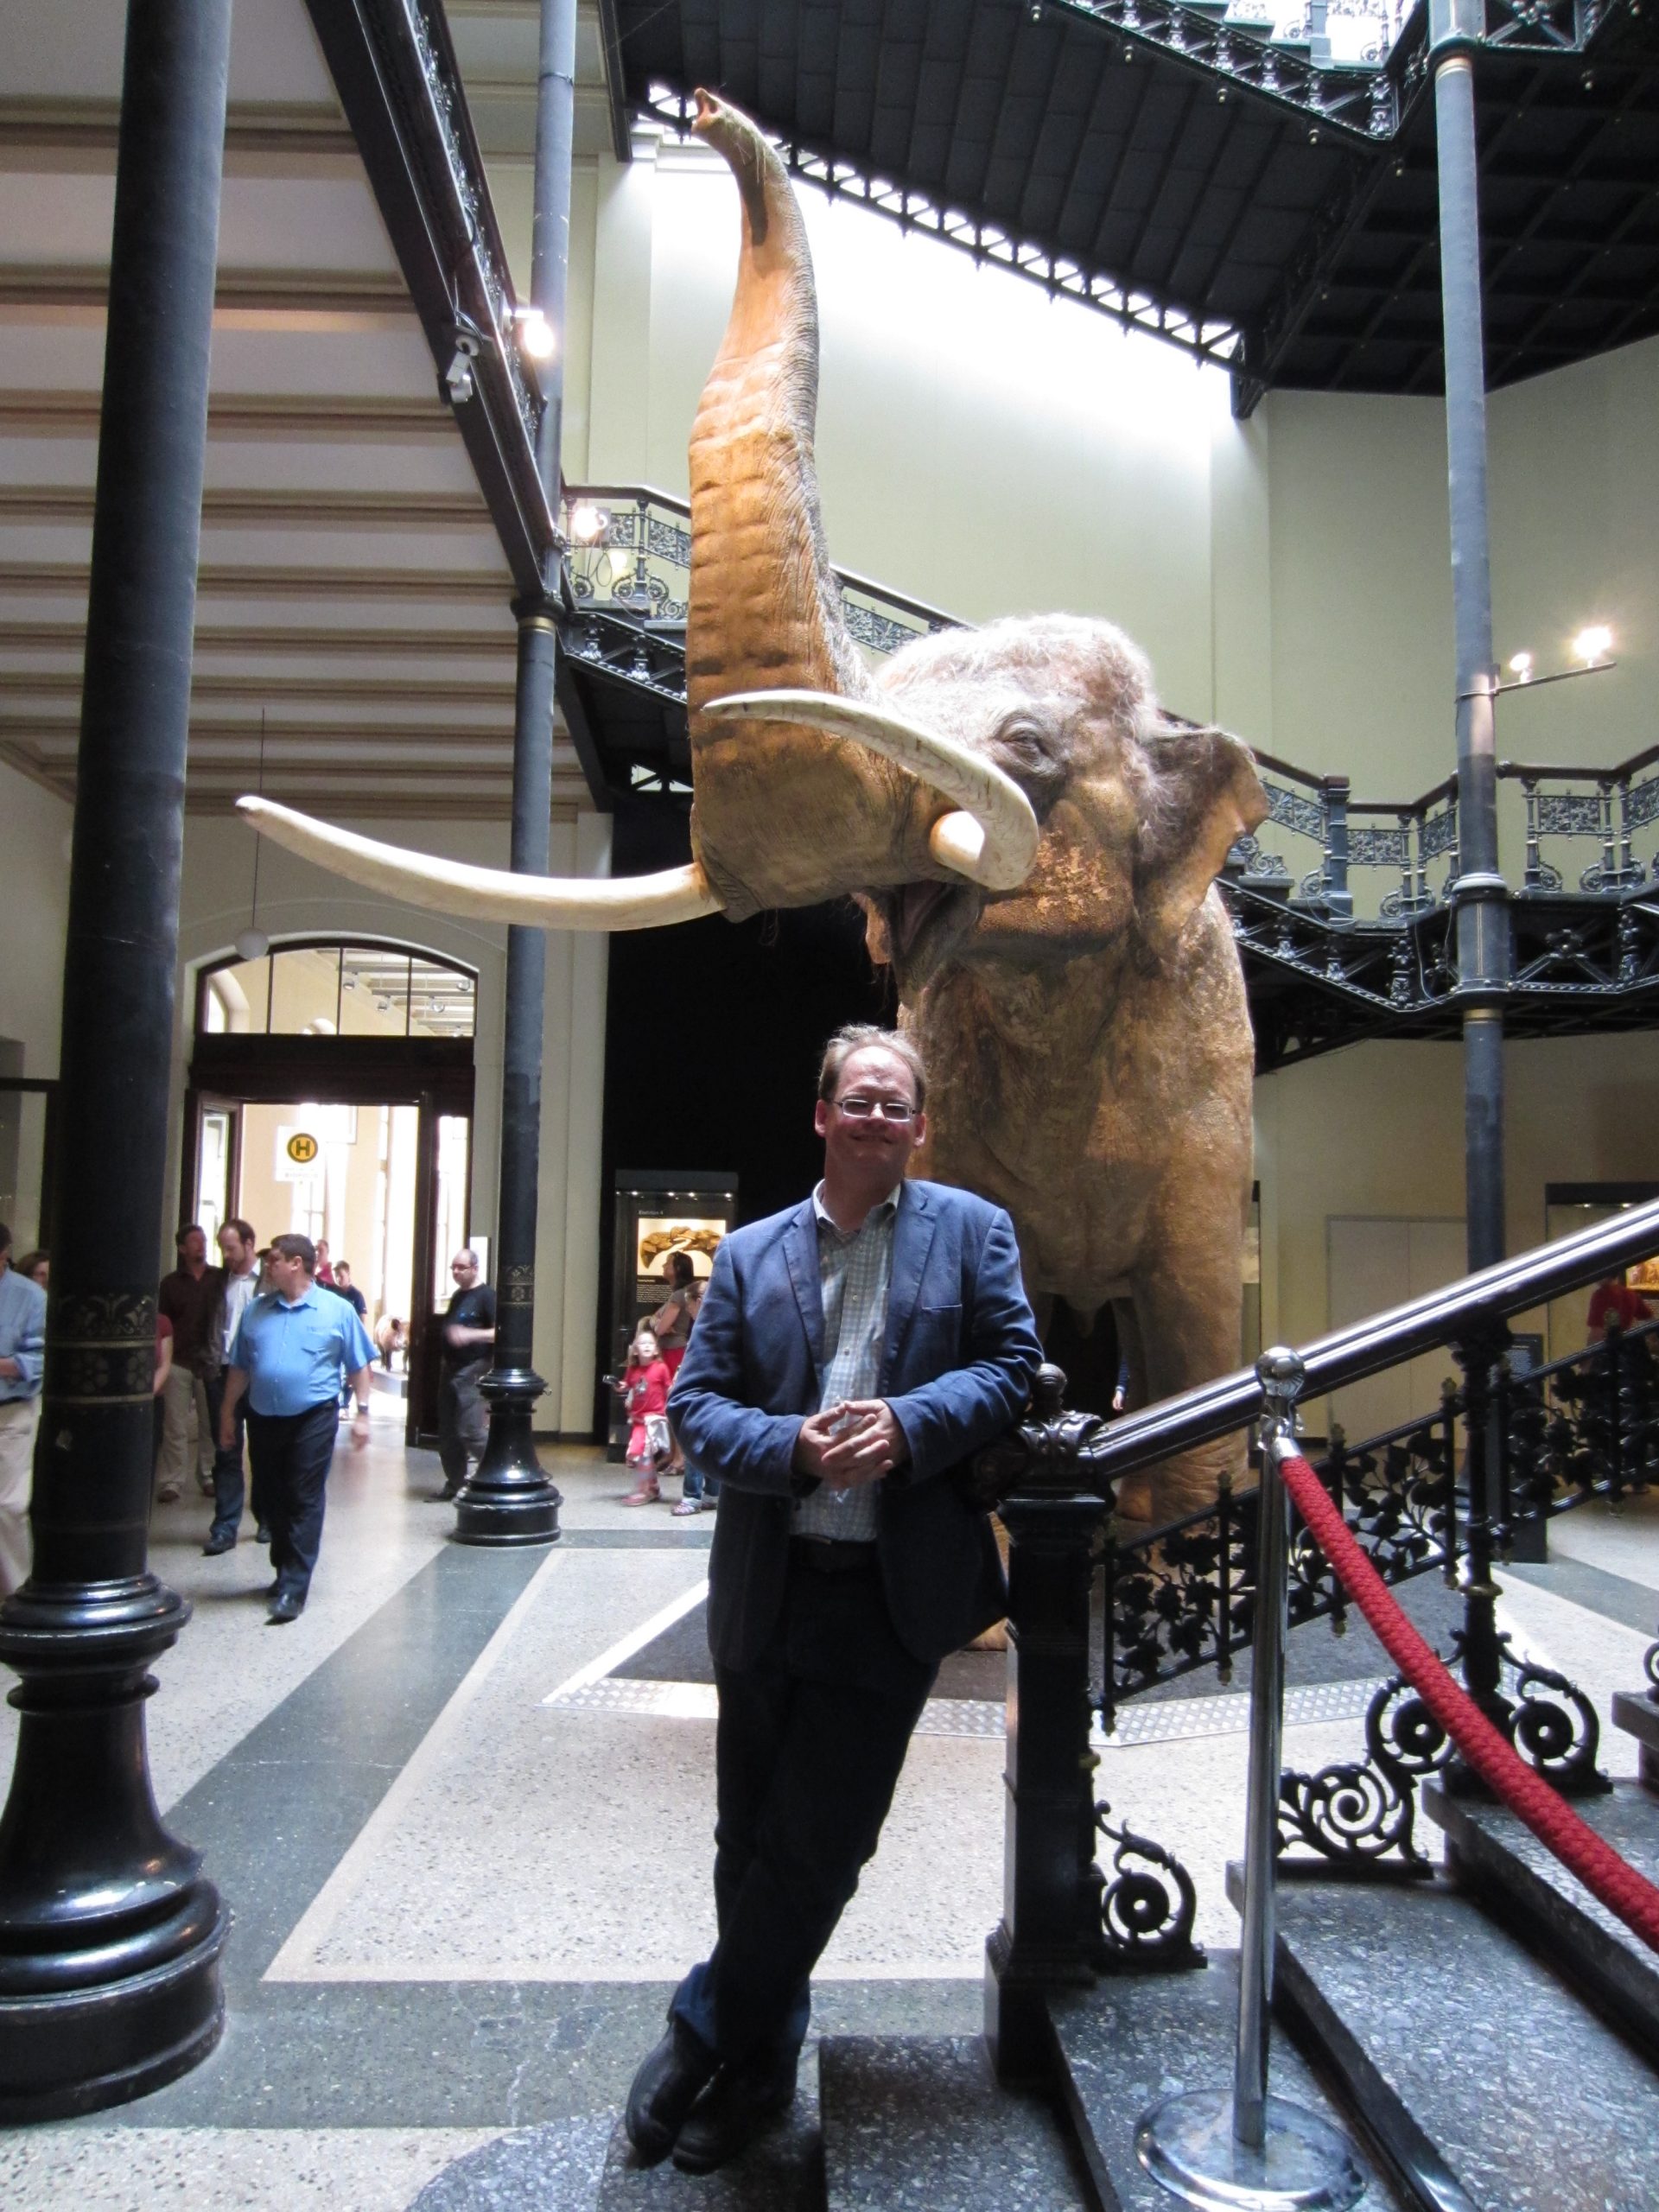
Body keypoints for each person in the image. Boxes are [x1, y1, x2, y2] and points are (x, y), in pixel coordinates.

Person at [624, 1024, 1041, 2174]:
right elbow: (699, 1409)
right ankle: (759, 2071)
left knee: (819, 1842)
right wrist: (794, 1448)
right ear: (821, 1116)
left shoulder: (970, 1234)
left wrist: (909, 1425)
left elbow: (1012, 1369)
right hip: (769, 1583)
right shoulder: (751, 1253)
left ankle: (698, 2032)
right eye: (855, 1101)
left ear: (917, 1125)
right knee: (746, 1838)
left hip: (891, 1593)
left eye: (894, 1105)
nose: (874, 1119)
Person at [219, 1232, 375, 1624]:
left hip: (313, 1416)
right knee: (271, 1498)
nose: (267, 1266)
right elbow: (240, 1366)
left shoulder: (335, 1310)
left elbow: (359, 1364)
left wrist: (363, 1413)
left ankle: (294, 1585)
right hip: (263, 1416)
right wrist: (226, 1412)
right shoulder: (257, 1310)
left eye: (273, 1259)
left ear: (296, 1263)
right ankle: (283, 1567)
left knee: (303, 1495)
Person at [201, 1218, 261, 1556]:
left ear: (249, 1244)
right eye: (223, 1248)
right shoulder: (216, 1282)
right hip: (221, 1371)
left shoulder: (267, 1281)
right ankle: (225, 1526)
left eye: (232, 1248)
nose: (226, 1255)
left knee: (263, 1449)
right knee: (225, 1448)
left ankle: (265, 1516)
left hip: (257, 1374)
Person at [156, 1224, 226, 1504]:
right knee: (175, 1425)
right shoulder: (171, 1284)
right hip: (180, 1361)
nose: (201, 1245)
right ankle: (172, 1479)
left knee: (211, 1425)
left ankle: (208, 1474)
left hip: (209, 1361)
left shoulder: (219, 1278)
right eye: (195, 1241)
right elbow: (164, 1325)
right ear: (182, 1248)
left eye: (204, 1240)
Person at [0, 1222, 48, 1599]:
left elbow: (39, 1358)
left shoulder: (30, 1297)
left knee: (8, 1507)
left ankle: (15, 1596)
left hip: (11, 1411)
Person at [437, 1249, 495, 1501]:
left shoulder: (487, 1297)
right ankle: (455, 1484)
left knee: (470, 1430)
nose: (456, 1272)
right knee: (448, 1433)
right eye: (453, 1268)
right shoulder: (458, 1297)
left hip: (474, 1370)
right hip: (451, 1371)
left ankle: (496, 1474)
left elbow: (501, 1333)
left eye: (461, 1267)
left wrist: (471, 1335)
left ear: (475, 1268)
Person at [617, 1327, 672, 1503]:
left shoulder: (661, 1368)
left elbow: (668, 1388)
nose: (647, 1346)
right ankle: (652, 1487)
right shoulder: (633, 1371)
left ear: (656, 1349)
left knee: (643, 1452)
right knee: (644, 1454)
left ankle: (643, 1490)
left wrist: (671, 1409)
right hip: (639, 1419)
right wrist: (620, 1387)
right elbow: (627, 1386)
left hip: (655, 1417)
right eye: (642, 1343)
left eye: (650, 1343)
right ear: (635, 1350)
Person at [329, 1262, 369, 1410]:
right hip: (337, 1338)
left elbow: (362, 1317)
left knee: (349, 1375)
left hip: (351, 1338)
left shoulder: (356, 1295)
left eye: (341, 1275)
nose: (339, 1279)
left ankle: (345, 1404)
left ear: (348, 1274)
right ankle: (337, 1402)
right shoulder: (334, 1294)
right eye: (336, 1276)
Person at [1588, 1273, 1653, 1338]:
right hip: (1626, 1343)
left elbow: (1596, 1333)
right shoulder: (1631, 1294)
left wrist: (1589, 1347)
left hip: (1609, 1345)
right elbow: (1650, 1320)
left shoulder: (1600, 1295)